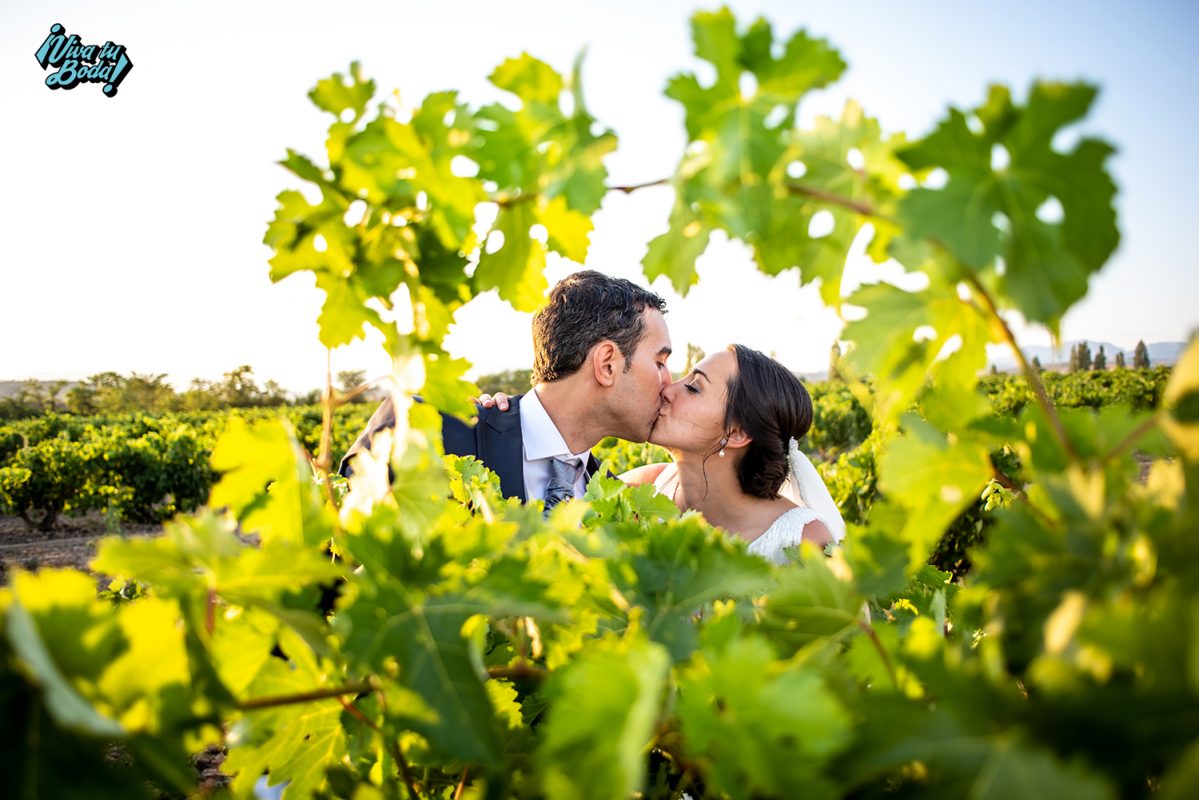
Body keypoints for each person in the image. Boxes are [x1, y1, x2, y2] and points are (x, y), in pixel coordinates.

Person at [483, 344, 845, 563]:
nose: (669, 389)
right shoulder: (638, 493)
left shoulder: (805, 542)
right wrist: (509, 426)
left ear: (736, 433)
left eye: (694, 387)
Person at [339, 270, 673, 507]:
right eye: (659, 362)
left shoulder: (613, 501)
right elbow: (327, 572)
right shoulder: (425, 428)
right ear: (607, 364)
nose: (669, 382)